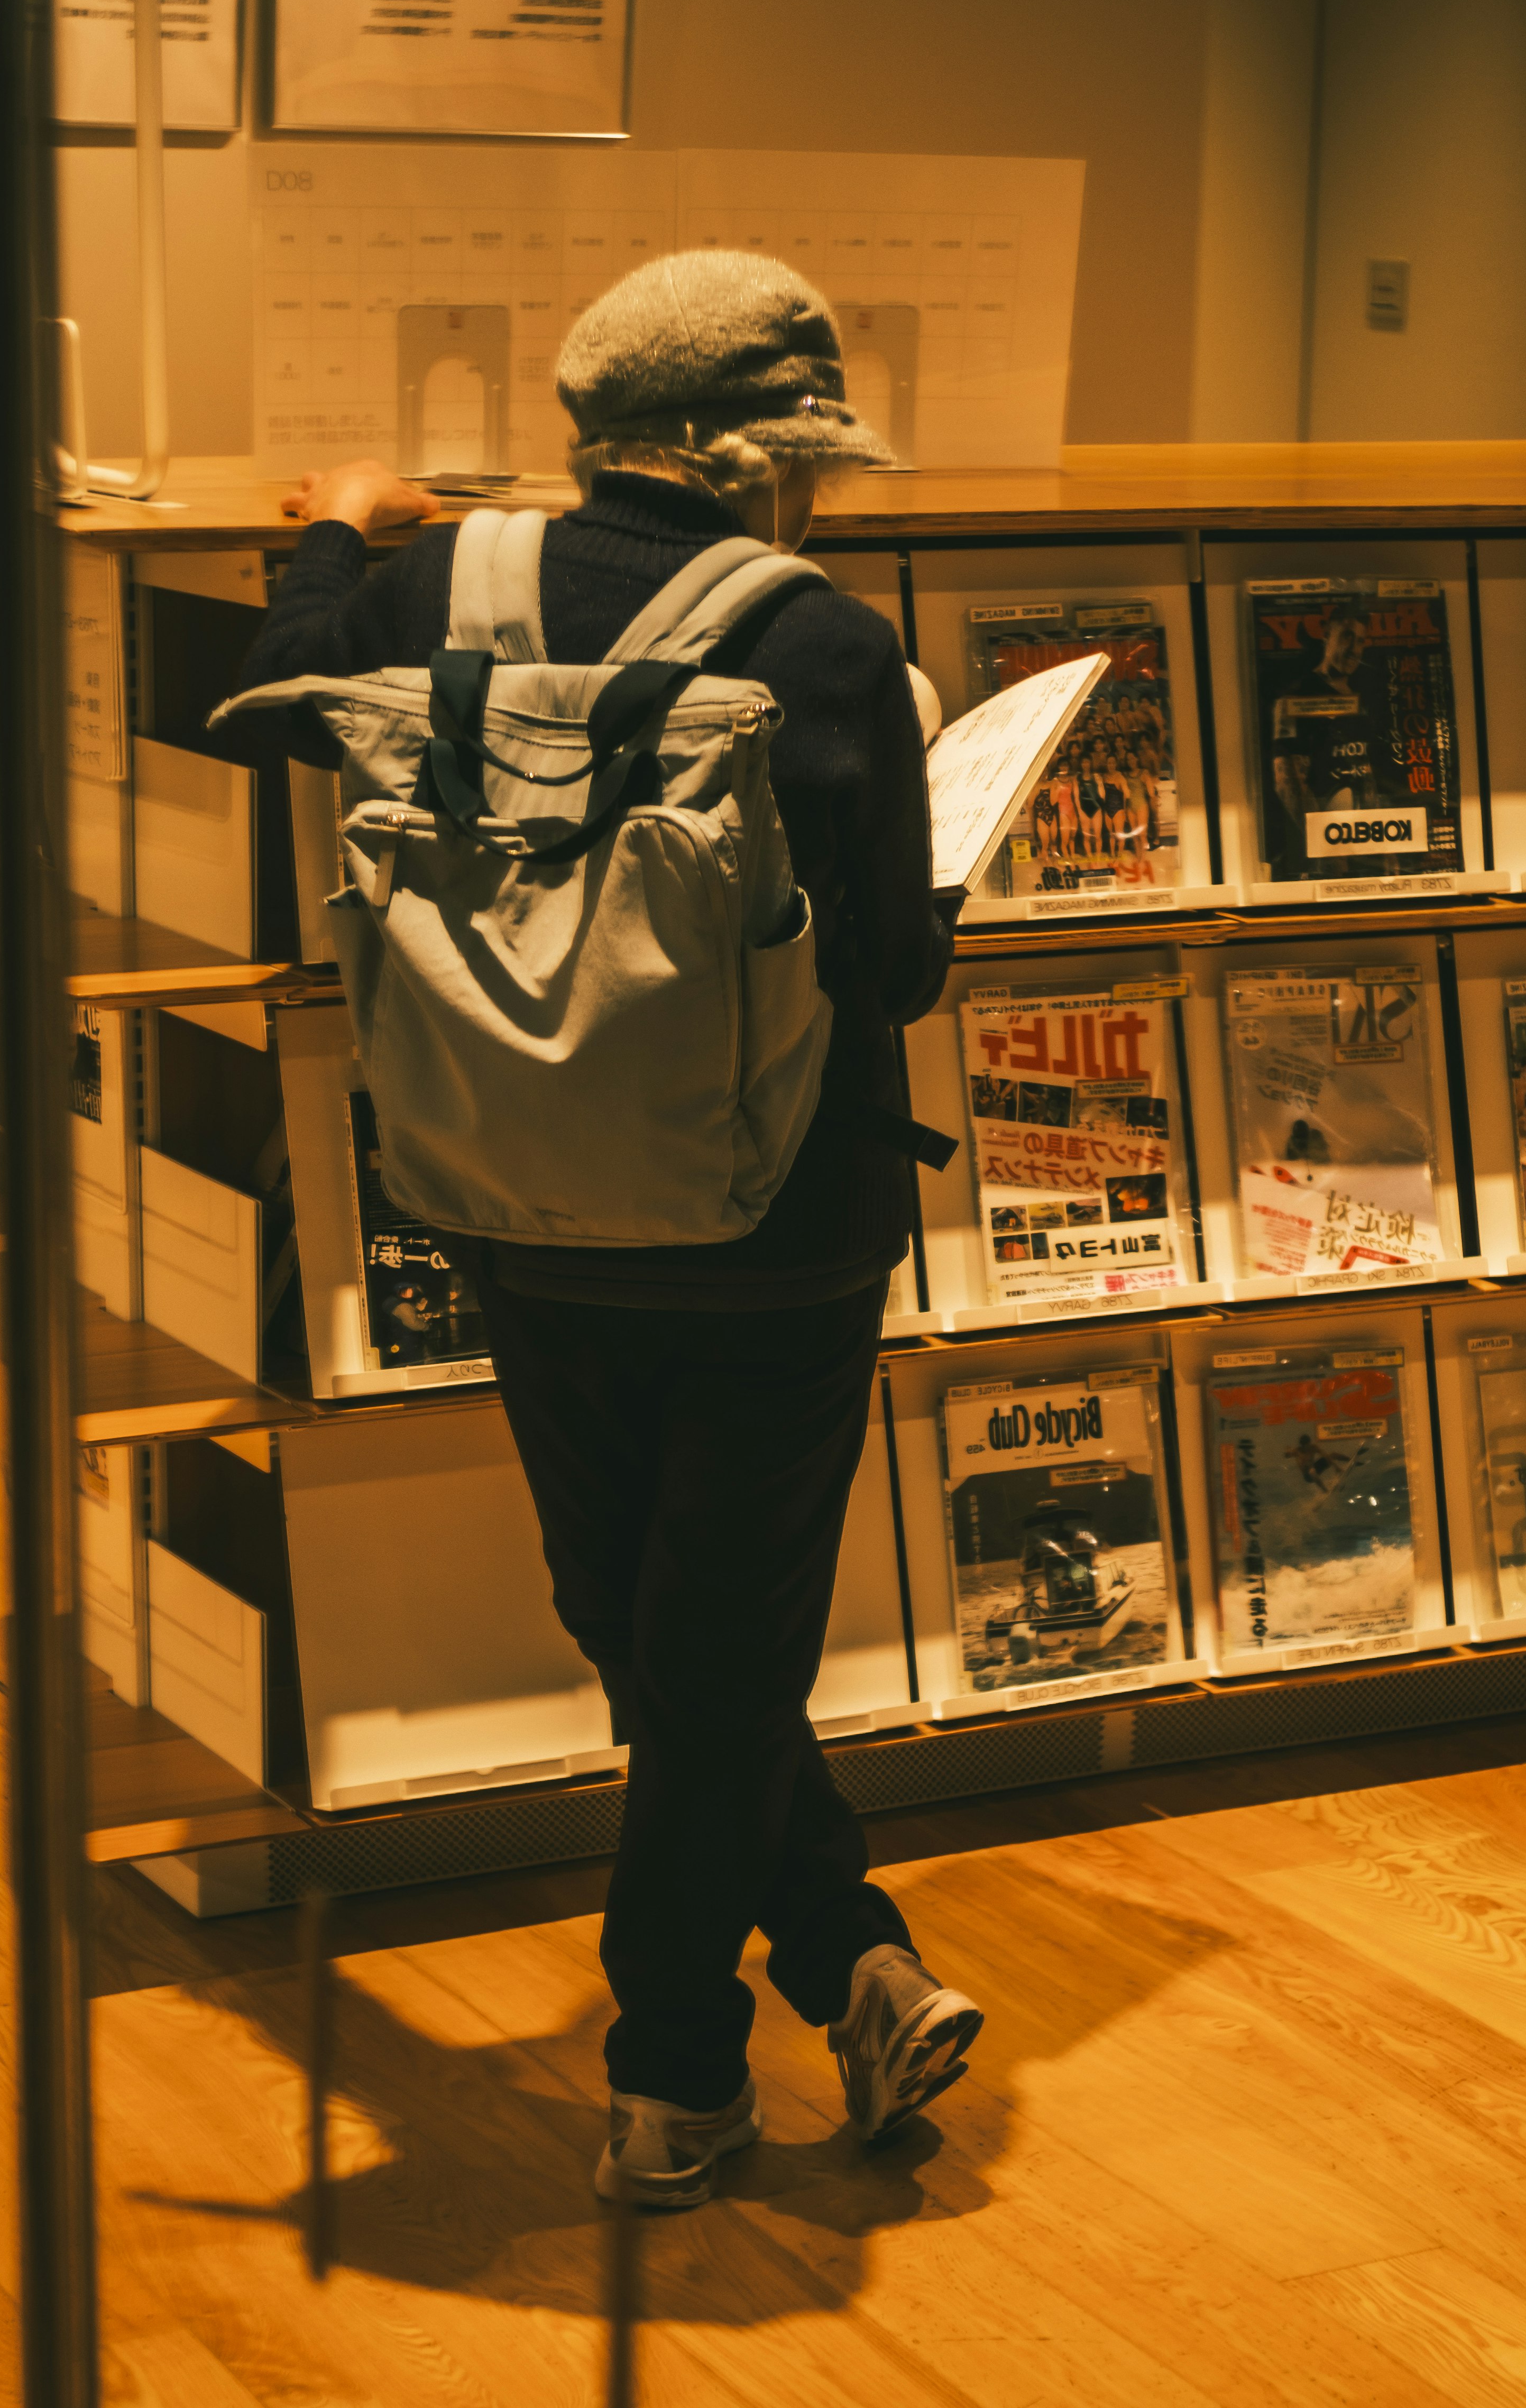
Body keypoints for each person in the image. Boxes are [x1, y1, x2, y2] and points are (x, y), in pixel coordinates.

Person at [224, 251, 983, 2208]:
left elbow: (298, 675)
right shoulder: (819, 649)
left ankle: (850, 1959)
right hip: (773, 1236)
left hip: (511, 1196)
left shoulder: (424, 592)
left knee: (643, 1624)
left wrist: (328, 527)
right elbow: (890, 978)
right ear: (767, 461)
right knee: (718, 1654)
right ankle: (676, 2080)